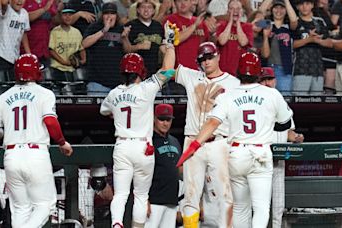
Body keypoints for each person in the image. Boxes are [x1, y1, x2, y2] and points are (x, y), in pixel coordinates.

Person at [177, 52, 293, 228]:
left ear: (239, 71)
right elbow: (284, 124)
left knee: (239, 208)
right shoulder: (272, 94)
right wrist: (267, 125)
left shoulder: (228, 95)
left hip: (237, 153)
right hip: (260, 153)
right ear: (258, 73)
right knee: (261, 208)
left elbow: (212, 123)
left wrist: (194, 145)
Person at [99, 22, 176, 228]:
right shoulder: (146, 88)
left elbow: (105, 112)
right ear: (140, 70)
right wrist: (169, 43)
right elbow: (169, 70)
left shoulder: (114, 92)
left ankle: (116, 223)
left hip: (122, 145)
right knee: (141, 195)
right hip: (143, 147)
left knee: (121, 193)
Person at [0, 54, 73, 227]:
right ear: (36, 73)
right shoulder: (45, 94)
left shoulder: (4, 97)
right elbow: (50, 121)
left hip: (11, 155)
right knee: (45, 206)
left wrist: (8, 133)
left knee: (20, 208)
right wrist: (62, 142)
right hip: (35, 154)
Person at [174, 41, 239, 228]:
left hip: (219, 142)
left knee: (224, 194)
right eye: (203, 59)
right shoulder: (192, 76)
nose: (206, 62)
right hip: (193, 139)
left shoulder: (233, 83)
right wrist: (169, 43)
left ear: (218, 56)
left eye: (210, 57)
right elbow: (168, 67)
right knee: (190, 194)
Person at [259, 67, 304, 228]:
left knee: (278, 206)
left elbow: (288, 132)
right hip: (260, 162)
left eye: (270, 79)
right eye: (264, 80)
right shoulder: (256, 103)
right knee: (260, 206)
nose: (267, 83)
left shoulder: (281, 103)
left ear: (275, 81)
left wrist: (296, 137)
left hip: (279, 163)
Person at [145, 104, 182, 228]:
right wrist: (145, 200)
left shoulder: (175, 141)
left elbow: (180, 171)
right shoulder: (148, 141)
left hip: (172, 201)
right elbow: (141, 172)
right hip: (154, 200)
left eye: (168, 119)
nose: (165, 123)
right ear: (154, 119)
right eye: (161, 119)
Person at [292, 0, 333, 95]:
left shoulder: (319, 21)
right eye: (301, 4)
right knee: (299, 102)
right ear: (297, 6)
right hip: (300, 69)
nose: (304, 7)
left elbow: (330, 43)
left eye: (307, 3)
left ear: (312, 5)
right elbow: (291, 45)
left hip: (317, 69)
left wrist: (319, 41)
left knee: (317, 103)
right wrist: (309, 40)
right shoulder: (295, 22)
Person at [0, 0, 31, 76]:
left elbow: (23, 33)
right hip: (1, 55)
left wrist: (29, 54)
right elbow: (3, 3)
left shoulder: (25, 13)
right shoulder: (7, 10)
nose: (19, 1)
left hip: (15, 57)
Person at [216, 0, 254, 76]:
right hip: (222, 71)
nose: (235, 11)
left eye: (238, 9)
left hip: (240, 71)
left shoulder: (247, 27)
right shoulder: (221, 25)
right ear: (228, 11)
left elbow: (243, 42)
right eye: (232, 9)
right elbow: (222, 41)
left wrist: (238, 23)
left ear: (242, 11)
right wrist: (230, 22)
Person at [49, 5, 85, 81]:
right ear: (60, 16)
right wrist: (63, 62)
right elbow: (51, 50)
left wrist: (83, 60)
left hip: (73, 69)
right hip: (58, 68)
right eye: (65, 15)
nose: (68, 17)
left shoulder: (76, 32)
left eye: (70, 15)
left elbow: (81, 48)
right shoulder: (54, 32)